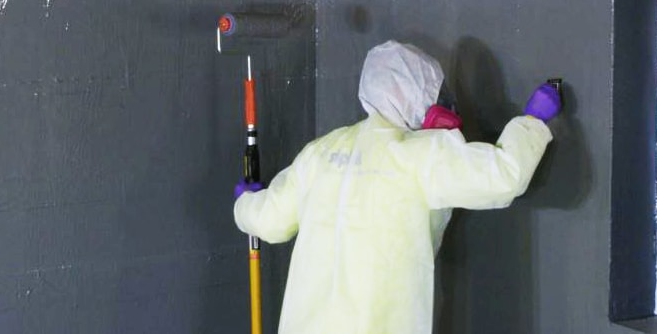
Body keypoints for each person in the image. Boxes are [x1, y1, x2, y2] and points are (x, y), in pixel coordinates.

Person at [233, 40, 561, 334]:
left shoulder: (319, 153)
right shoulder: (419, 156)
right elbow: (504, 175)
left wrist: (246, 201)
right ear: (413, 94)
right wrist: (532, 122)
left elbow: (268, 221)